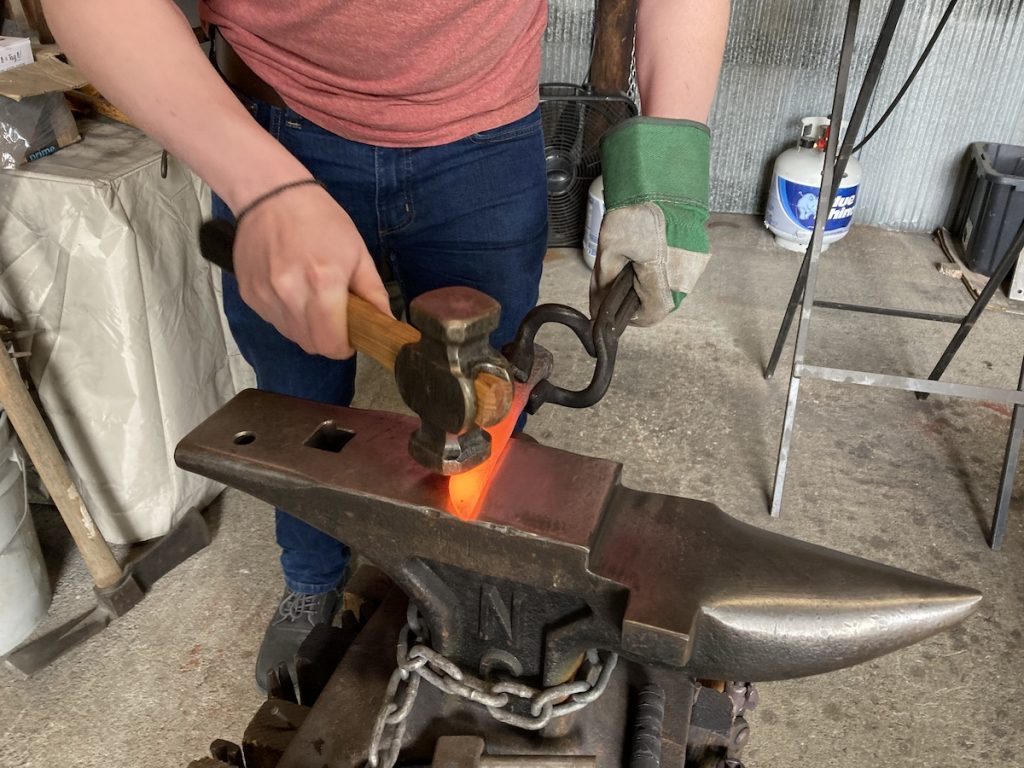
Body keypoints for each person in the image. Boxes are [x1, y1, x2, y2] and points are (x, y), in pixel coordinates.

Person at [42, 0, 731, 690]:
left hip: (486, 138)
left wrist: (669, 166)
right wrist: (261, 183)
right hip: (273, 123)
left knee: (486, 422)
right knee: (297, 407)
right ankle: (313, 579)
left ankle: (468, 587)